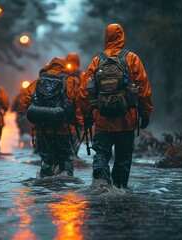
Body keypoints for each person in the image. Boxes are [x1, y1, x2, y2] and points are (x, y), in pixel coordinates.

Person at [77, 23, 154, 188]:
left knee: (101, 154)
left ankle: (101, 184)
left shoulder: (98, 60)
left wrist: (86, 114)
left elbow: (84, 91)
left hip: (103, 119)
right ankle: (119, 190)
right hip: (127, 119)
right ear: (122, 37)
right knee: (123, 158)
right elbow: (144, 89)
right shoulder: (132, 58)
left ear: (106, 37)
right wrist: (145, 113)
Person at [19, 57, 83, 177]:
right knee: (65, 158)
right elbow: (77, 103)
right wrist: (79, 122)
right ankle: (66, 187)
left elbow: (26, 98)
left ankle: (45, 186)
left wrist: (27, 112)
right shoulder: (70, 80)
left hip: (42, 128)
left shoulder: (40, 80)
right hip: (63, 129)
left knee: (47, 160)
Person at [65, 53, 85, 160]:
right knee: (77, 130)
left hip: (65, 107)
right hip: (77, 107)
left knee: (68, 129)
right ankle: (74, 153)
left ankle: (69, 152)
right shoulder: (81, 74)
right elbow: (85, 91)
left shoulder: (63, 73)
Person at [11, 81, 32, 147]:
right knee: (28, 127)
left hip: (21, 115)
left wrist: (13, 109)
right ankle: (27, 141)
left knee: (22, 127)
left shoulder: (18, 96)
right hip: (28, 115)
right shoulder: (31, 95)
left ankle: (22, 141)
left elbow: (13, 106)